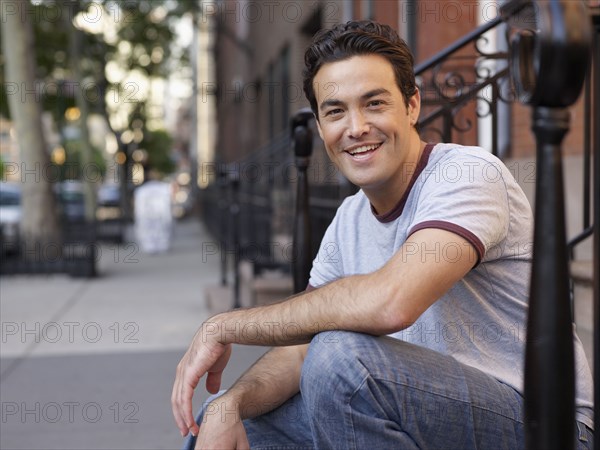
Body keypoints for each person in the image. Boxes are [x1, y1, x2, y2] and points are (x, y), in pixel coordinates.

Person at [172, 20, 594, 449]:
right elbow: (303, 350)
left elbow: (392, 304)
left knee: (341, 361)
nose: (356, 128)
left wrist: (225, 327)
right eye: (335, 111)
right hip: (419, 413)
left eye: (374, 103)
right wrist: (233, 402)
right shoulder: (348, 219)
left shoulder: (465, 174)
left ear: (411, 106)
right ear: (320, 128)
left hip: (541, 424)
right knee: (215, 421)